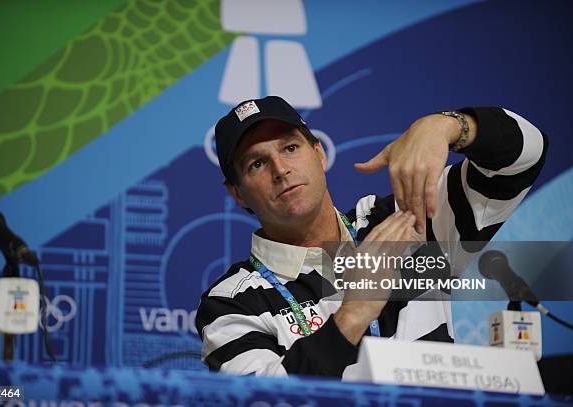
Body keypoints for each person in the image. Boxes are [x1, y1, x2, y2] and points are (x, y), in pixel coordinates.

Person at [195, 96, 547, 378]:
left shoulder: (406, 220)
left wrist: (448, 126)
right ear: (238, 194)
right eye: (256, 163)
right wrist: (355, 312)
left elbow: (526, 157)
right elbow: (265, 402)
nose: (280, 170)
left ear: (319, 154)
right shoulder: (229, 304)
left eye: (290, 148)